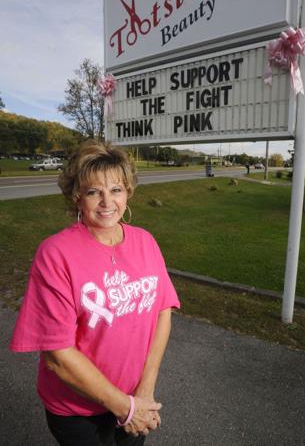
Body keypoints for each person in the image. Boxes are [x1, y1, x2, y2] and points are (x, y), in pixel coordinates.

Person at [10, 139, 180, 446]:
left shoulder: (146, 242)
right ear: (77, 197)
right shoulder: (56, 254)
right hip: (77, 410)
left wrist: (144, 391)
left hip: (134, 397)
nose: (107, 201)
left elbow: (163, 310)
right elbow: (57, 355)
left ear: (128, 192)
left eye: (116, 189)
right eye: (93, 191)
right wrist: (128, 409)